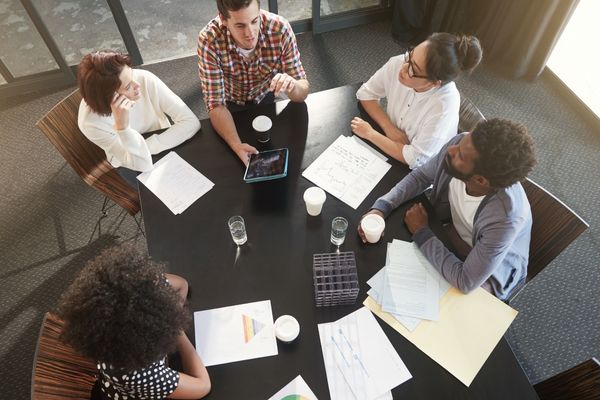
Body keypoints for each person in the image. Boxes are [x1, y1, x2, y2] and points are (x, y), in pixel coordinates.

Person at [358, 119, 537, 300]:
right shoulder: (462, 143)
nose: (451, 149)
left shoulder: (506, 218)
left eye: (460, 155)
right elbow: (421, 177)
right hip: (454, 234)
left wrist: (421, 232)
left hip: (489, 273)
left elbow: (465, 281)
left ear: (481, 180)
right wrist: (382, 207)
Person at [57, 244, 211, 399]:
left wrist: (148, 286)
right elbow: (203, 386)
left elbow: (181, 286)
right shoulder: (137, 373)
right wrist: (175, 330)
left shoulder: (100, 327)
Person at [197, 0, 309, 165]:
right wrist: (236, 145)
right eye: (240, 26)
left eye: (254, 21)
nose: (250, 33)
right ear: (223, 19)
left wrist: (292, 84)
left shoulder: (280, 29)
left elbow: (303, 91)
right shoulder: (209, 40)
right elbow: (215, 104)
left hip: (266, 96)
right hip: (230, 104)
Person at [351, 33, 482, 169]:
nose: (403, 68)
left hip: (421, 172)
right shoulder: (400, 63)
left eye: (413, 70)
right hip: (391, 143)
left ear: (434, 83)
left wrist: (370, 134)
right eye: (410, 54)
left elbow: (415, 159)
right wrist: (388, 127)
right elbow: (366, 94)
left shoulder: (443, 106)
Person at [77, 51, 200, 185]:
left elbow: (191, 122)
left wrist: (147, 147)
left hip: (161, 138)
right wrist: (122, 127)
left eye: (131, 73)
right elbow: (142, 164)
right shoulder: (90, 123)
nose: (137, 85)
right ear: (111, 98)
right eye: (128, 86)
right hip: (126, 160)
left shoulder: (144, 79)